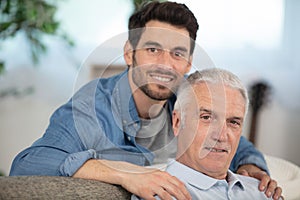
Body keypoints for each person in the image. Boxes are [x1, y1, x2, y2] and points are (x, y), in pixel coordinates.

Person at [10, 1, 281, 200]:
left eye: (177, 54)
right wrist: (122, 174)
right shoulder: (91, 109)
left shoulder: (186, 100)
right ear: (129, 53)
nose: (165, 65)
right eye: (153, 49)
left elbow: (234, 139)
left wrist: (251, 165)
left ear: (187, 63)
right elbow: (26, 164)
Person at [132, 68, 283, 199]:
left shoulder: (264, 191)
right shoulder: (160, 194)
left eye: (233, 122)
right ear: (177, 122)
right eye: (206, 118)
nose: (222, 136)